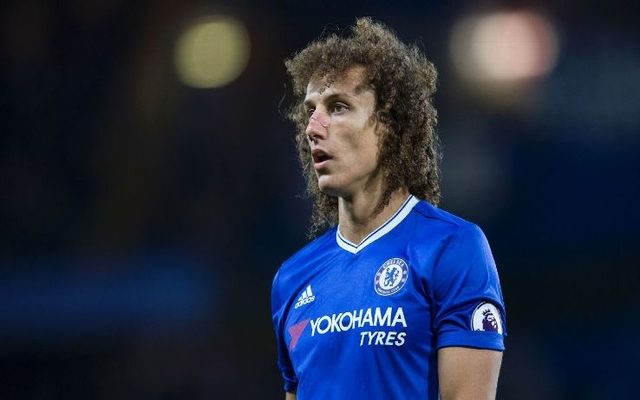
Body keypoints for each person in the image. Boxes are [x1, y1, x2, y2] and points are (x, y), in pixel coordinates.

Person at [271, 18, 506, 400]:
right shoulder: (292, 279)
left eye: (338, 106)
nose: (312, 126)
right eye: (310, 110)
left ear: (389, 125)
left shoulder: (452, 248)